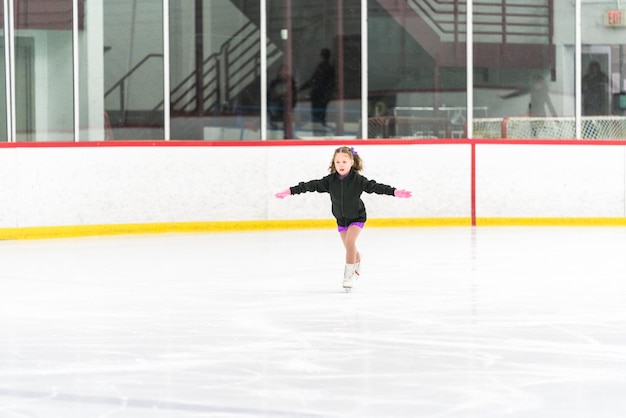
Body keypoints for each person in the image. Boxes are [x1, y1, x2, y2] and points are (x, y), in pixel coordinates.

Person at [274, 146, 412, 291]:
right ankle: (357, 258)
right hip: (341, 219)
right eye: (337, 162)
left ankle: (348, 276)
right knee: (349, 247)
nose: (341, 165)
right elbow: (310, 185)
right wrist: (289, 191)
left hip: (357, 217)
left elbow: (376, 187)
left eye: (344, 162)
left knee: (350, 242)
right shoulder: (329, 181)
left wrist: (395, 192)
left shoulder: (358, 180)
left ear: (352, 162)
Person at [299, 48, 335, 133]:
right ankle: (320, 133)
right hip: (323, 97)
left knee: (317, 117)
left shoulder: (322, 68)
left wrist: (300, 89)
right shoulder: (329, 68)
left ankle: (318, 134)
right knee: (321, 117)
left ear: (321, 56)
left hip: (319, 97)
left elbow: (313, 81)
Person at [268, 64, 297, 128]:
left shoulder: (292, 83)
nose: (284, 72)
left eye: (286, 70)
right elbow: (270, 96)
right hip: (275, 112)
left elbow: (294, 98)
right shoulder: (274, 83)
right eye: (283, 70)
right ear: (279, 72)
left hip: (287, 112)